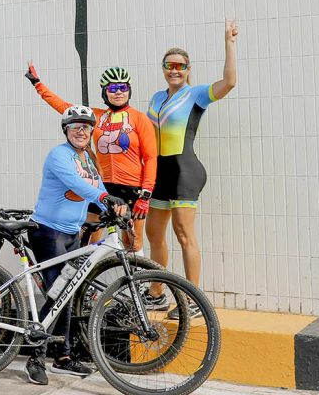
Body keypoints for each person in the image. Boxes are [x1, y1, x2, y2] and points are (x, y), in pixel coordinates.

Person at [146, 22, 238, 316]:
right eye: (169, 65)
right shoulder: (157, 98)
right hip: (159, 172)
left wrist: (229, 43)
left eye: (180, 66)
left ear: (188, 69)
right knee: (154, 233)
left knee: (184, 234)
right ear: (163, 68)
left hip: (185, 170)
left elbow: (229, 82)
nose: (175, 70)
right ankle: (157, 292)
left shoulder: (196, 94)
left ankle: (191, 299)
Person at [25, 104, 119, 386]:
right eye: (75, 126)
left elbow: (98, 188)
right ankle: (35, 359)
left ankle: (63, 357)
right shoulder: (59, 155)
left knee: (70, 289)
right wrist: (104, 200)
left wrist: (115, 205)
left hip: (71, 233)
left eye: (86, 126)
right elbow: (77, 185)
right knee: (57, 294)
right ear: (66, 130)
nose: (81, 130)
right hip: (48, 232)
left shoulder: (88, 158)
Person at [24, 62, 157, 254]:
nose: (118, 92)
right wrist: (38, 84)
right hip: (101, 186)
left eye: (123, 87)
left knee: (133, 241)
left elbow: (151, 158)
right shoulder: (96, 115)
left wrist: (145, 194)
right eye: (112, 88)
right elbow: (63, 107)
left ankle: (137, 283)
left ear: (129, 90)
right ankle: (83, 281)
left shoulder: (139, 118)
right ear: (105, 92)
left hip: (132, 188)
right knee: (89, 238)